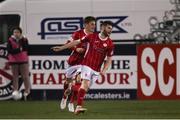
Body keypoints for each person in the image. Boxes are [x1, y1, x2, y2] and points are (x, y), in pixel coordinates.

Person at [52, 21, 114, 115]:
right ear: (103, 27)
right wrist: (62, 48)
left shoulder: (110, 44)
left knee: (85, 89)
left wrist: (104, 70)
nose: (111, 30)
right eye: (109, 28)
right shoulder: (92, 36)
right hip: (86, 65)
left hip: (96, 69)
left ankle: (70, 88)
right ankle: (78, 107)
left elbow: (109, 59)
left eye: (111, 29)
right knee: (84, 84)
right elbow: (77, 41)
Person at [52, 16, 96, 112]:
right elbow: (68, 43)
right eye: (92, 24)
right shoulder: (78, 33)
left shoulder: (94, 37)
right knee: (67, 82)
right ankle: (65, 96)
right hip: (73, 61)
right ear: (86, 25)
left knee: (79, 82)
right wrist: (76, 49)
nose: (94, 26)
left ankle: (71, 102)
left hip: (84, 63)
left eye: (94, 24)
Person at [7, 27, 31, 100]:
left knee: (25, 77)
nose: (16, 34)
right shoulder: (10, 40)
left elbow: (26, 48)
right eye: (14, 32)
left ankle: (27, 92)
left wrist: (22, 41)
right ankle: (15, 92)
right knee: (15, 77)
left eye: (17, 32)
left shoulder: (24, 39)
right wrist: (18, 50)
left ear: (20, 33)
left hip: (23, 61)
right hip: (13, 61)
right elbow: (10, 51)